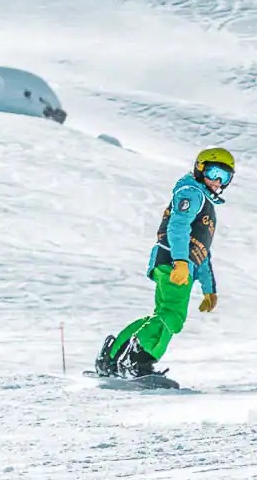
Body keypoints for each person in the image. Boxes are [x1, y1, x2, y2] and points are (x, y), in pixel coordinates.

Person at [95, 147, 234, 380]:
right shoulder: (192, 193)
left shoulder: (205, 202)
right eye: (213, 172)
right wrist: (180, 261)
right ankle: (137, 362)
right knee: (173, 317)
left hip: (175, 263)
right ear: (200, 169)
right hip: (173, 261)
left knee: (161, 315)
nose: (217, 180)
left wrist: (209, 288)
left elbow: (202, 252)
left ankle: (112, 358)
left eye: (224, 176)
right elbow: (177, 227)